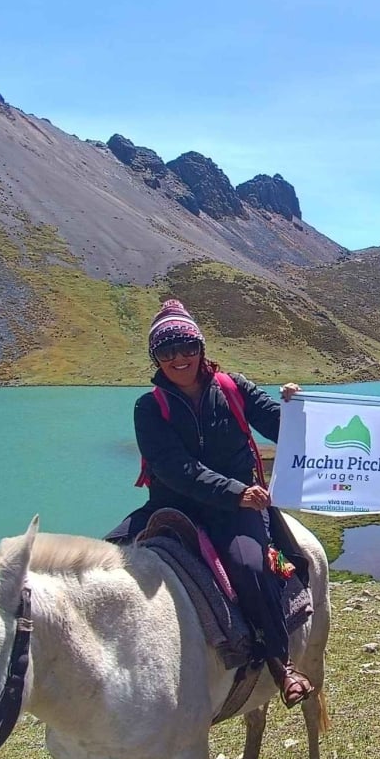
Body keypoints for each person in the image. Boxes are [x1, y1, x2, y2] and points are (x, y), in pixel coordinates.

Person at [121, 298, 312, 707]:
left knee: (248, 565)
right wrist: (234, 489)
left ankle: (281, 663)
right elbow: (174, 467)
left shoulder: (233, 387)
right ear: (156, 357)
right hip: (174, 506)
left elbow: (283, 428)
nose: (179, 358)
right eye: (167, 351)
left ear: (201, 347)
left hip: (237, 509)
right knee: (105, 555)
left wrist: (295, 408)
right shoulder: (148, 408)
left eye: (187, 347)